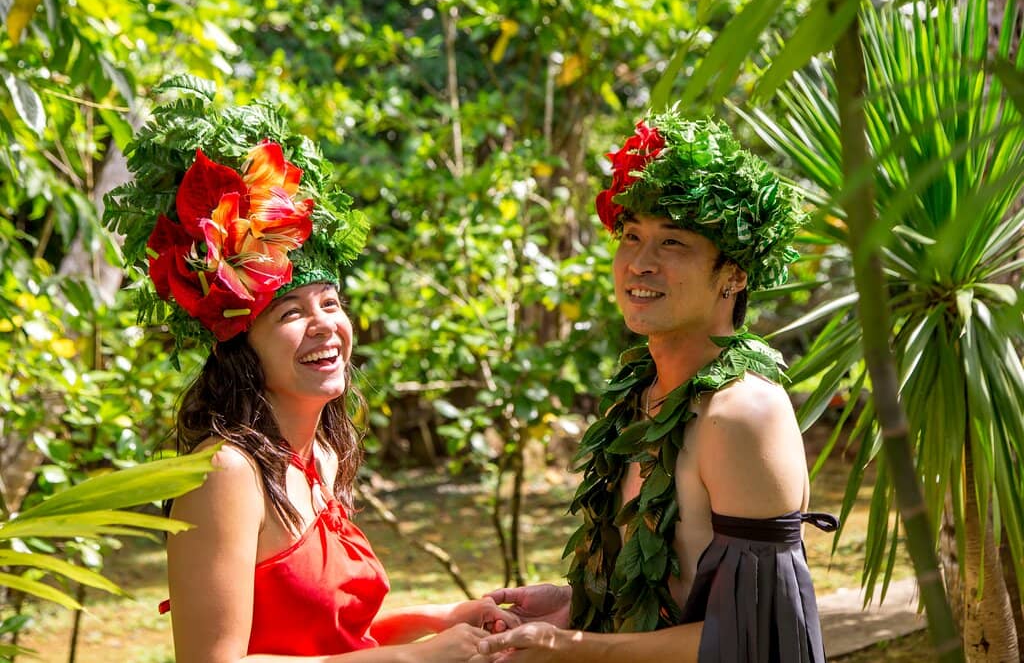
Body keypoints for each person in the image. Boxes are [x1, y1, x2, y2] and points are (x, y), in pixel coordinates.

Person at [105, 80, 513, 662]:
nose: (325, 324)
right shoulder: (225, 473)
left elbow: (329, 638)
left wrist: (441, 619)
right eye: (291, 313)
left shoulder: (319, 451)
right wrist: (414, 658)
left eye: (331, 303)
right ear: (241, 345)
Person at [476, 113, 838, 663]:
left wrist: (569, 647)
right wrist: (576, 604)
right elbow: (677, 595)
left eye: (672, 243)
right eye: (632, 236)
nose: (640, 264)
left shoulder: (742, 413)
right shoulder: (644, 393)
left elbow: (758, 638)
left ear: (734, 274)